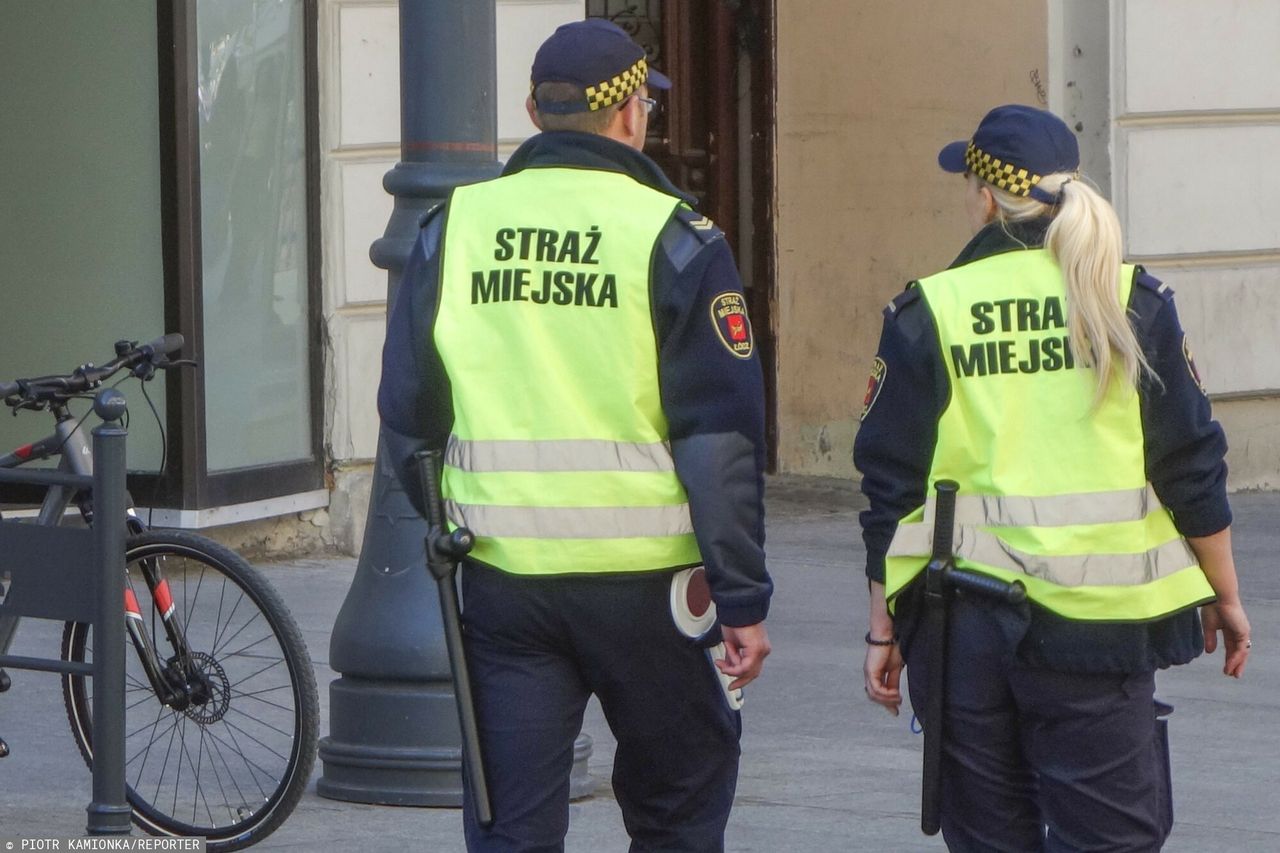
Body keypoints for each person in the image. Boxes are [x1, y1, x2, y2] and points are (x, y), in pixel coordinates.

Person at [377, 18, 772, 853]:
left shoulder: (455, 227)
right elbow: (718, 438)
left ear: (533, 108)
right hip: (654, 592)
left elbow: (410, 410)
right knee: (677, 815)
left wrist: (450, 518)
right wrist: (741, 596)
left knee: (511, 825)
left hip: (505, 585)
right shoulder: (672, 236)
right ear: (633, 114)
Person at [855, 104, 1252, 851]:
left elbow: (891, 491)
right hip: (1096, 635)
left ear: (983, 194)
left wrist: (883, 627)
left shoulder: (928, 311)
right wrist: (1224, 594)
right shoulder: (1130, 302)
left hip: (961, 626)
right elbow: (1190, 465)